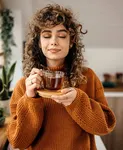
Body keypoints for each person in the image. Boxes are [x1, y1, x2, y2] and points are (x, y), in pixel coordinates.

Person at [7, 4, 116, 150]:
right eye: (46, 35)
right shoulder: (25, 85)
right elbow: (18, 142)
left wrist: (77, 101)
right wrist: (30, 100)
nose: (53, 41)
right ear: (39, 42)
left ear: (71, 42)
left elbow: (105, 126)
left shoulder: (88, 77)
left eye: (62, 36)